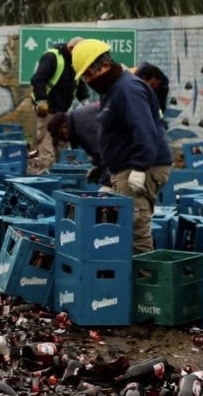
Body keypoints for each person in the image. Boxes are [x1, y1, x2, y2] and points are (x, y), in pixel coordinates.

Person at [71, 39, 173, 254]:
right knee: (121, 228)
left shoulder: (128, 89)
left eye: (89, 75)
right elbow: (119, 137)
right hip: (124, 168)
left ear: (105, 66)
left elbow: (144, 131)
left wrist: (139, 168)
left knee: (134, 229)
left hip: (141, 167)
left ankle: (144, 283)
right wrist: (107, 176)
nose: (88, 81)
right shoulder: (113, 89)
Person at [30, 37, 89, 172]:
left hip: (62, 110)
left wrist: (86, 102)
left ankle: (60, 173)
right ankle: (46, 175)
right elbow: (38, 79)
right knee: (47, 142)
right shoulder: (52, 57)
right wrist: (41, 101)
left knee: (61, 143)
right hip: (47, 109)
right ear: (72, 48)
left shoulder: (75, 61)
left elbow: (79, 84)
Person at [46, 102, 111, 188]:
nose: (66, 140)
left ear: (64, 127)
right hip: (120, 154)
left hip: (127, 154)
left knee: (119, 190)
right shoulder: (77, 123)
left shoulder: (85, 126)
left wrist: (106, 178)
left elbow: (108, 152)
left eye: (63, 137)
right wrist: (99, 167)